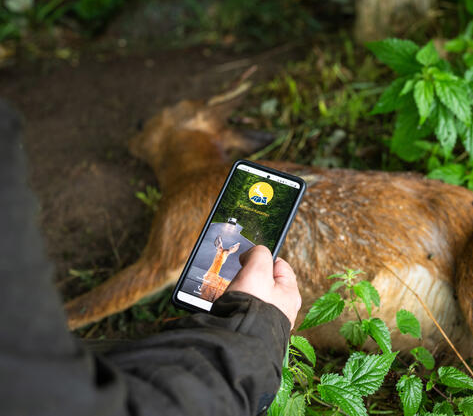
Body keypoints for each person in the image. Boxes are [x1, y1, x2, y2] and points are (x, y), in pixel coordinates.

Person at [0, 99, 302, 416]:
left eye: (143, 124)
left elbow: (156, 271)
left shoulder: (191, 192)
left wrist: (66, 317)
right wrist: (252, 332)